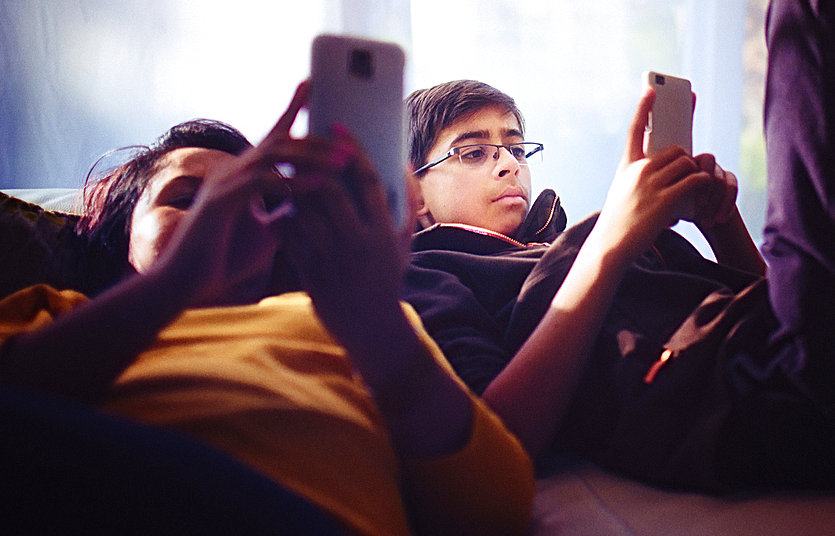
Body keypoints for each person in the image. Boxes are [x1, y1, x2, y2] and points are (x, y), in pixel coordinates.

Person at [402, 0, 835, 492]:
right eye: (473, 152)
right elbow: (496, 435)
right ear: (414, 191)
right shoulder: (423, 274)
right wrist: (611, 240)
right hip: (786, 405)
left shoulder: (568, 244)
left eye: (514, 146)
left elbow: (789, 310)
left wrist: (720, 226)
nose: (507, 164)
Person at [0, 82, 533, 536]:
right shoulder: (52, 317)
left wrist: (377, 327)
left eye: (252, 203)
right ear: (119, 233)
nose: (220, 217)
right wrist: (172, 284)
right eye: (185, 200)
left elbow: (496, 512)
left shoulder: (347, 329)